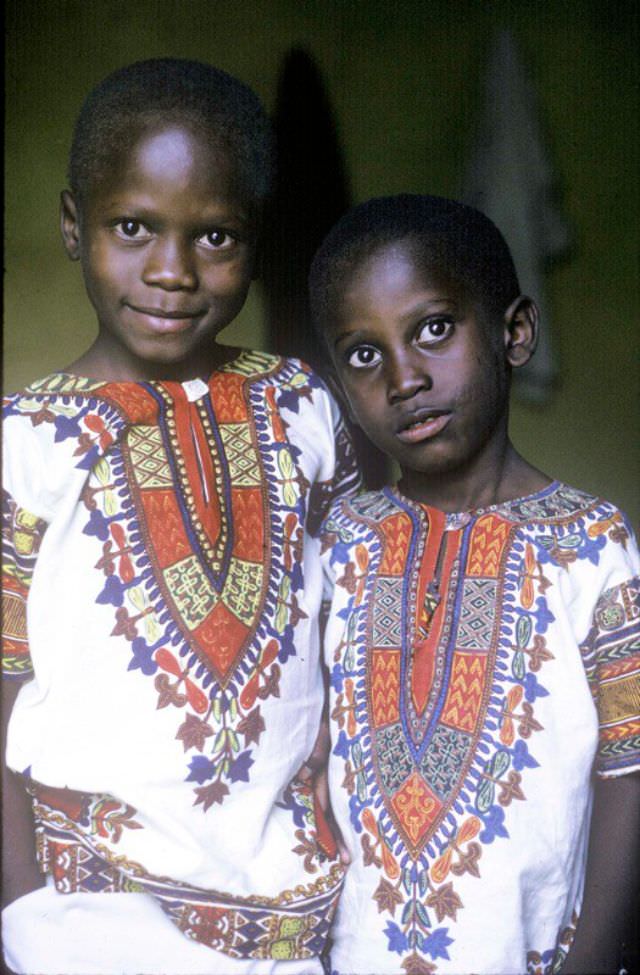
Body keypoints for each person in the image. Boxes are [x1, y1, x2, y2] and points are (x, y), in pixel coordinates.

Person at [1, 58, 361, 975]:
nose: (171, 271)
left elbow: (353, 621)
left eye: (215, 237)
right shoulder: (28, 441)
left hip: (292, 901)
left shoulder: (303, 406)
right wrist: (19, 904)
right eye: (133, 227)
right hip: (88, 906)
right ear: (74, 226)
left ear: (256, 241)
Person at [308, 194, 640, 975]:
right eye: (363, 354)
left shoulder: (592, 544)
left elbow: (631, 772)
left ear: (514, 332)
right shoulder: (337, 543)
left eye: (432, 329)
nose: (404, 377)